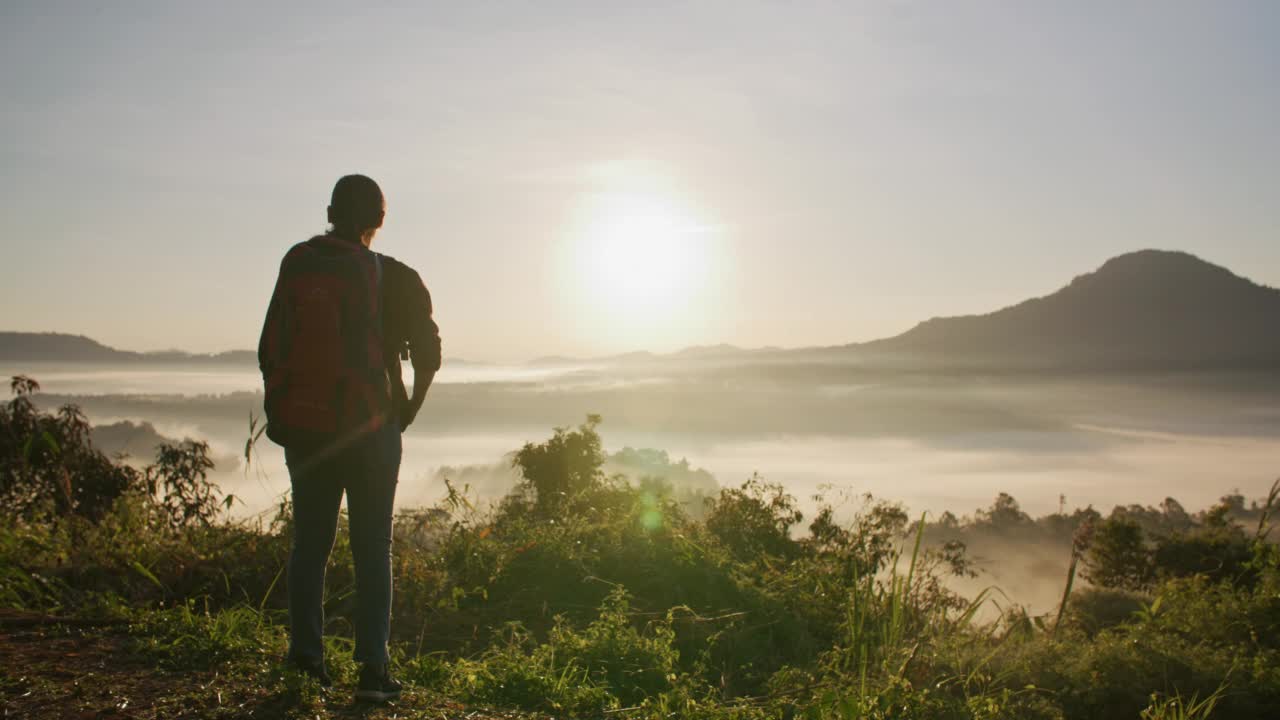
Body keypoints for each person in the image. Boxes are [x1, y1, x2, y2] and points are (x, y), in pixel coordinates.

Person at [258, 174, 441, 702]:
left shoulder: (297, 264)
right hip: (371, 430)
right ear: (379, 220)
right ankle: (372, 672)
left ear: (330, 211)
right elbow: (428, 357)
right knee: (372, 548)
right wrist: (405, 410)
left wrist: (286, 407)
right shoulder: (398, 278)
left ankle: (306, 658)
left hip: (306, 428)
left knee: (309, 544)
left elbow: (270, 344)